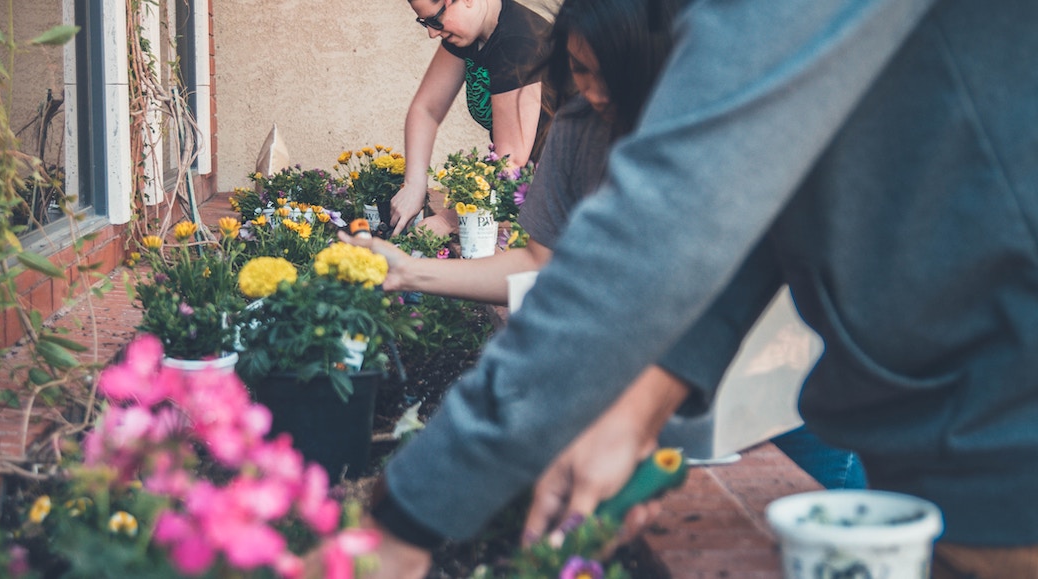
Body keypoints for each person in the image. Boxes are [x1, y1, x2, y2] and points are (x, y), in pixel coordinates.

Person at [360, 0, 1038, 577]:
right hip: (943, 425)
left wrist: (410, 513)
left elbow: (682, 204)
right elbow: (740, 206)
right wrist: (641, 404)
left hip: (998, 418)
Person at [357, 0, 867, 491]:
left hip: (795, 373)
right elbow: (538, 263)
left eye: (610, 74)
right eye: (579, 68)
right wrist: (409, 270)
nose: (592, 92)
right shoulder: (578, 127)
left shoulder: (727, 127)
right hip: (679, 392)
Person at [390, 0, 552, 237]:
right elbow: (426, 109)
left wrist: (448, 220)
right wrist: (414, 184)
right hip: (530, 188)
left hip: (571, 191)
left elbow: (511, 162)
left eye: (435, 20)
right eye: (424, 22)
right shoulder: (470, 32)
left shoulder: (518, 43)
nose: (432, 33)